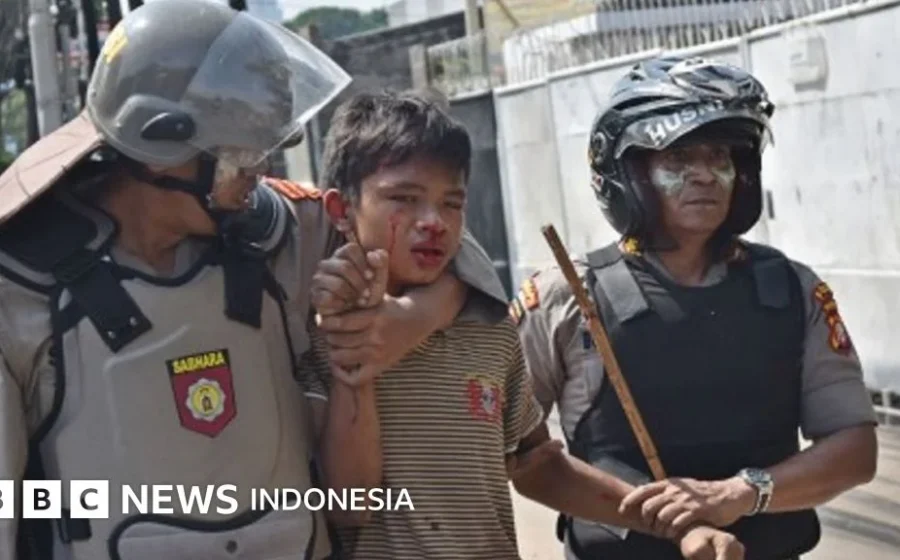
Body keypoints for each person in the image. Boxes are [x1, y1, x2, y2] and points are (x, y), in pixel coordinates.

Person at [0, 2, 509, 559]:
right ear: (162, 148)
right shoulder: (22, 284)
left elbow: (444, 246)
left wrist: (413, 318)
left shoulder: (282, 234)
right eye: (241, 151)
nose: (260, 171)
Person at [303, 89, 746, 560]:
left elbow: (537, 465)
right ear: (341, 210)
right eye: (404, 199)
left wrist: (678, 526)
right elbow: (351, 505)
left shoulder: (487, 327)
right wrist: (357, 367)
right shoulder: (309, 334)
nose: (433, 221)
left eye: (452, 203)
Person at [510, 54, 879, 560]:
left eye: (719, 157)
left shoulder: (793, 289)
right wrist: (669, 521)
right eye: (677, 160)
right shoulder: (566, 295)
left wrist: (740, 494)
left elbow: (855, 449)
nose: (704, 175)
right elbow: (521, 455)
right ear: (626, 173)